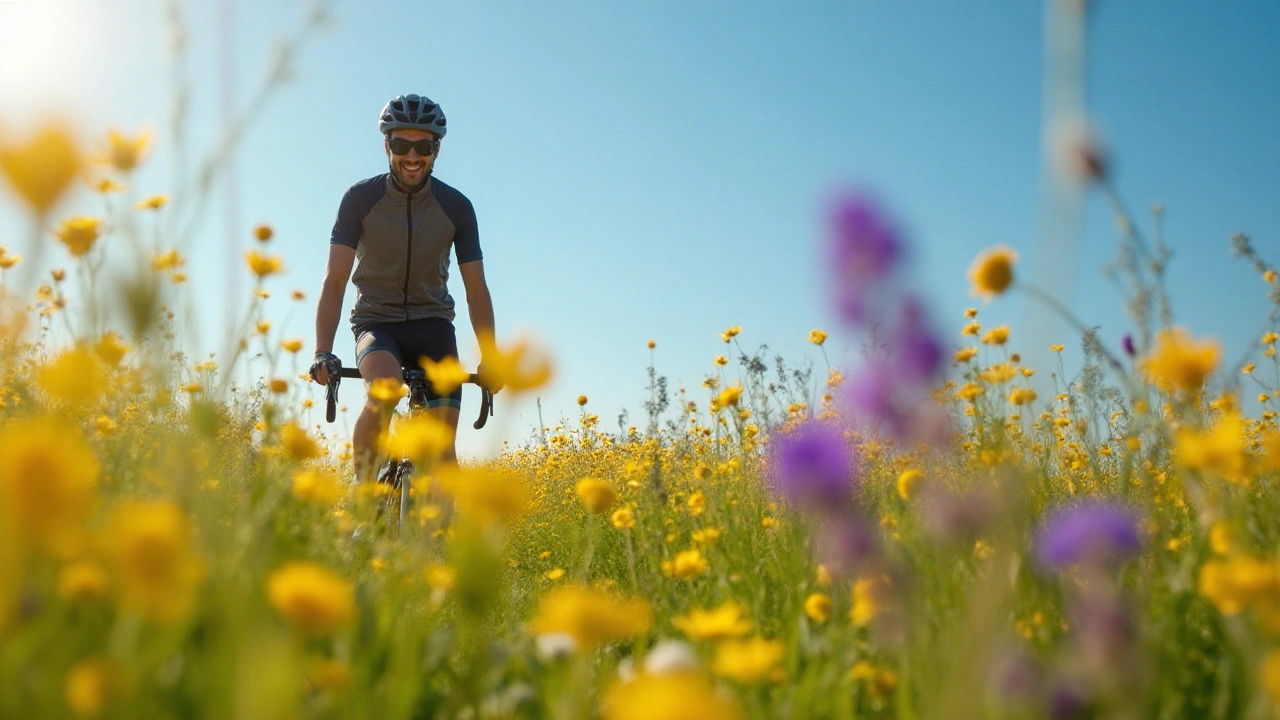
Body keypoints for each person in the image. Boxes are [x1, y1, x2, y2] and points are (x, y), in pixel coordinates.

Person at [309, 93, 500, 482]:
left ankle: (437, 540)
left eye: (423, 146)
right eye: (401, 145)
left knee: (442, 450)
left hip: (433, 326)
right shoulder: (360, 200)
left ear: (437, 149)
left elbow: (476, 290)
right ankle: (363, 502)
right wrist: (322, 351)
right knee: (384, 391)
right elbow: (335, 281)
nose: (412, 157)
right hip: (377, 324)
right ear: (387, 146)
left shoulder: (456, 207)